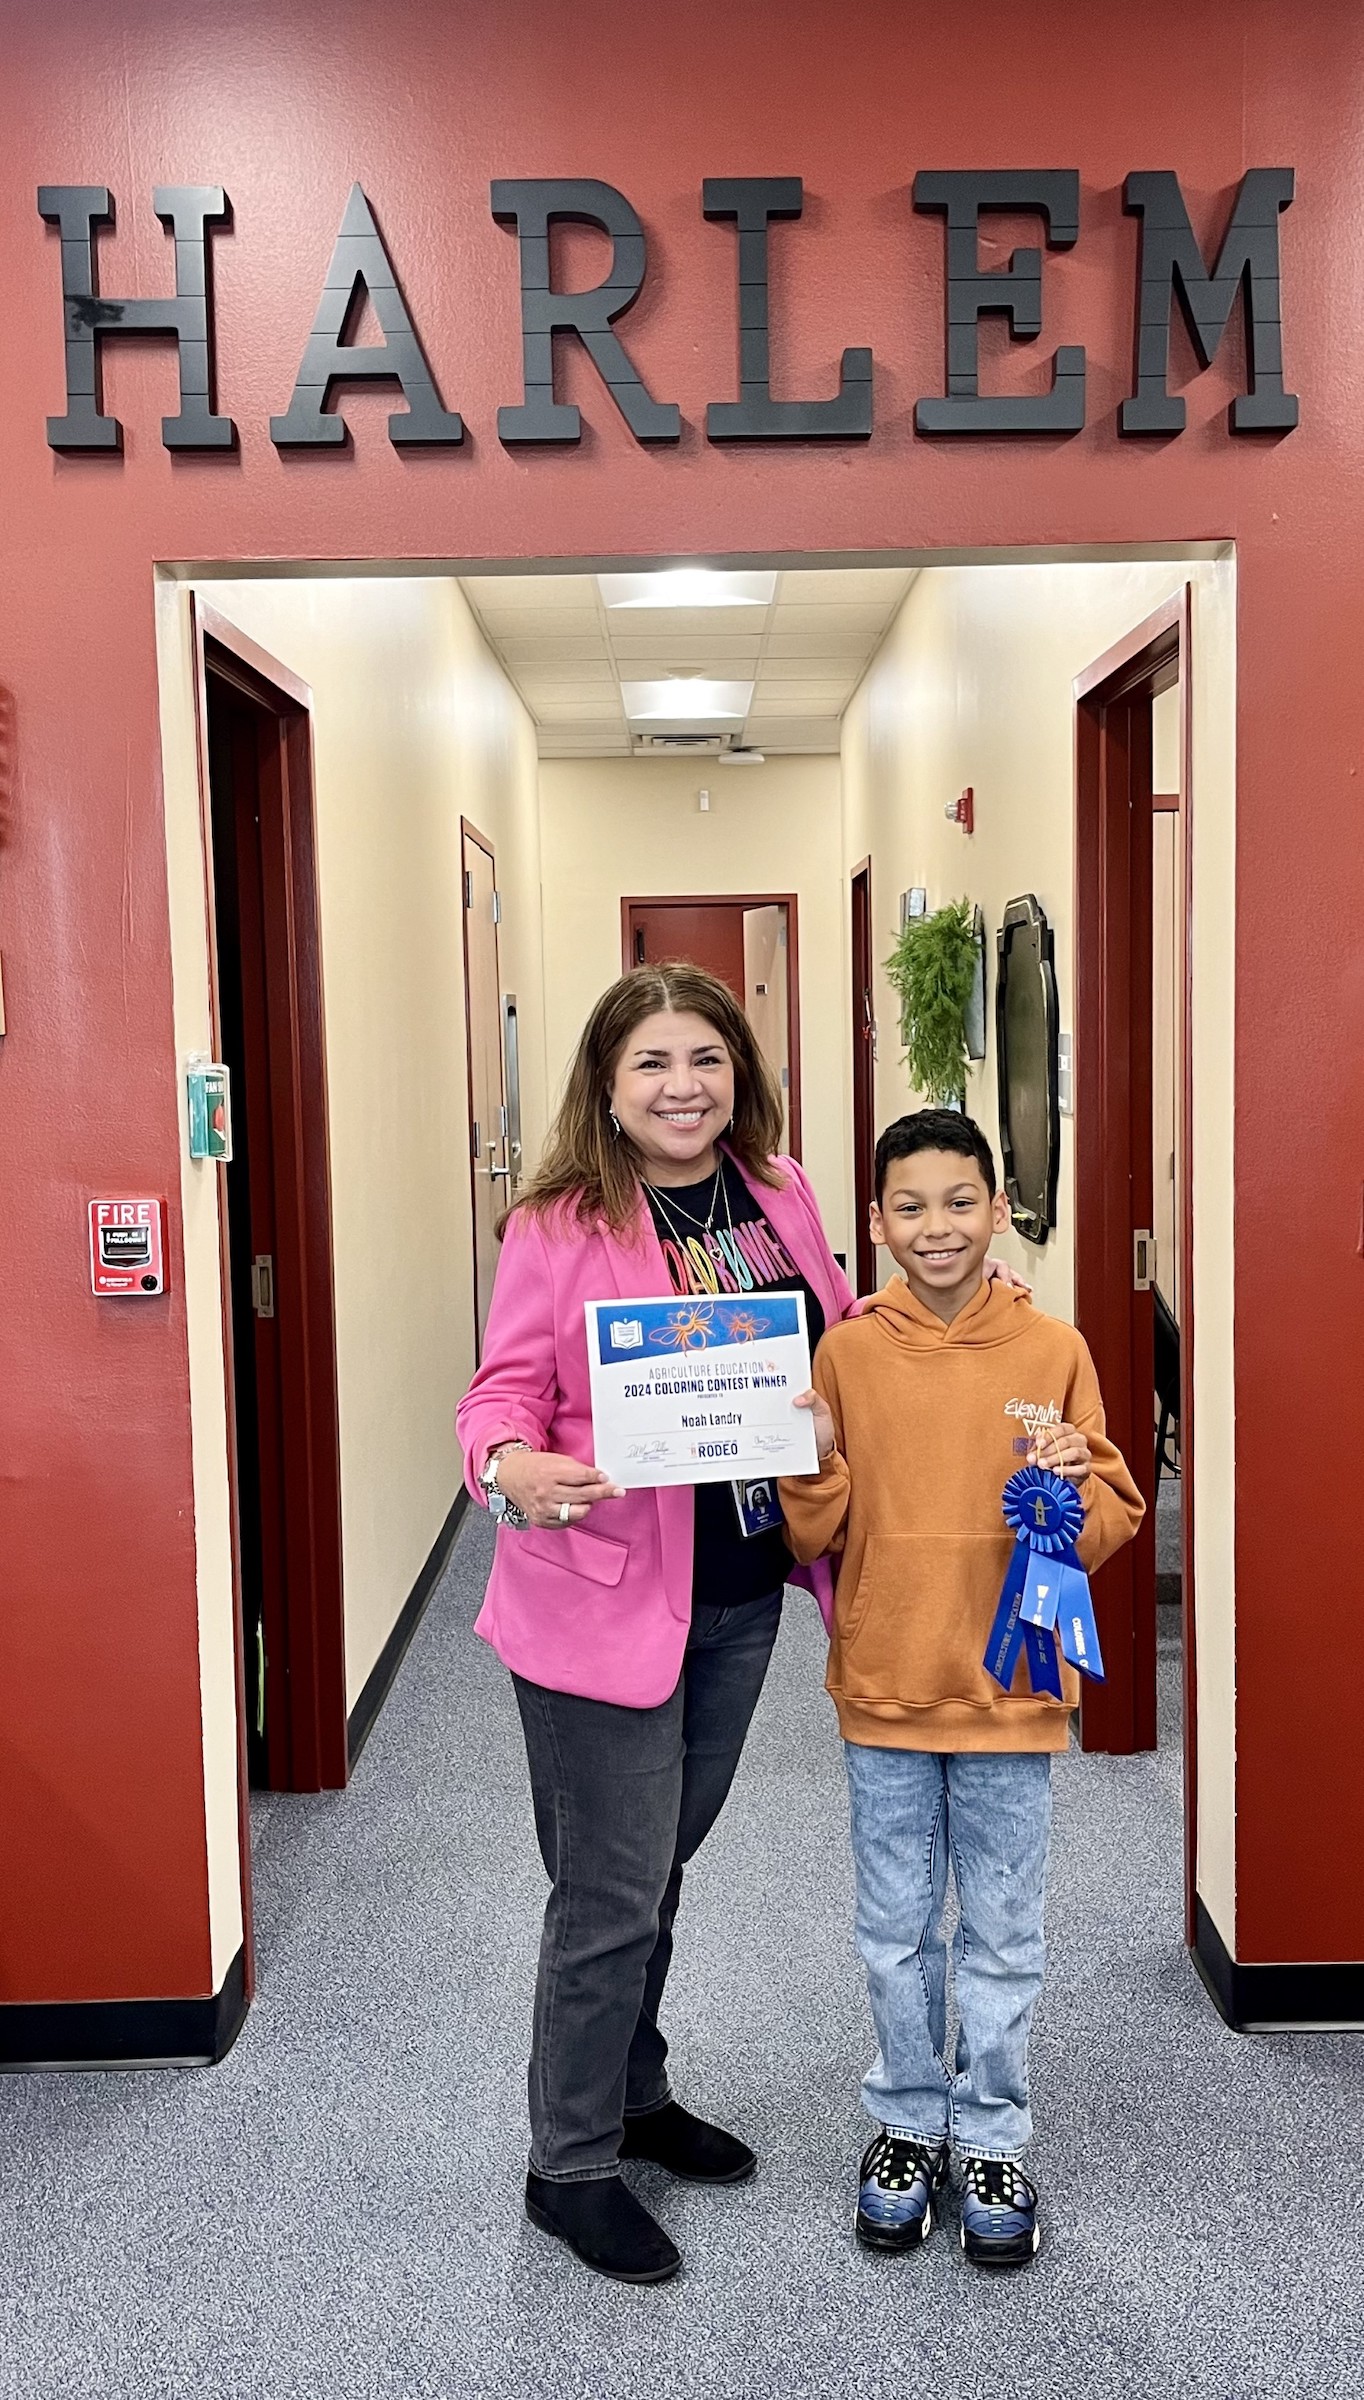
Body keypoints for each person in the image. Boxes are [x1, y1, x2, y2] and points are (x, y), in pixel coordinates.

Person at [455, 961, 857, 2286]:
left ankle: (635, 2099)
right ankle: (565, 2168)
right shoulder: (560, 1222)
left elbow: (841, 1344)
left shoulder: (782, 1191)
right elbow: (499, 1393)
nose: (682, 1088)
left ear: (739, 1071)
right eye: (652, 1065)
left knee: (657, 1871)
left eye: (705, 1061)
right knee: (610, 1895)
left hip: (741, 1595)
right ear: (610, 1088)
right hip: (600, 1600)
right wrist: (508, 1468)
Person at [780, 1108, 1143, 2270]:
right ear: (875, 1222)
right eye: (906, 1206)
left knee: (1001, 1931)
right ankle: (902, 2121)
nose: (933, 1227)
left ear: (996, 1210)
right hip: (883, 1684)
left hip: (1011, 1693)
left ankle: (991, 2133)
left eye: (956, 1202)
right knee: (892, 1932)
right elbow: (811, 1533)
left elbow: (1107, 1519)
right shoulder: (843, 1350)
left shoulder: (1055, 1351)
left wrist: (1070, 1488)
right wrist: (810, 1458)